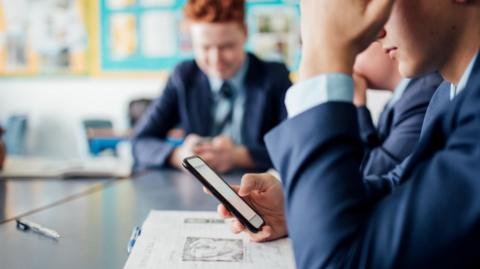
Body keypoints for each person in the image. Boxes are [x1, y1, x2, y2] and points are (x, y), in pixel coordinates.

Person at [215, 0, 480, 267]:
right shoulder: (446, 96)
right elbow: (399, 186)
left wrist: (325, 54)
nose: (376, 33)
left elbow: (339, 263)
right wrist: (298, 207)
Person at [132, 0, 291, 174]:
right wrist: (179, 156)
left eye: (227, 46)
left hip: (258, 191)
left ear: (244, 33)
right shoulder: (184, 76)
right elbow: (140, 142)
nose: (216, 59)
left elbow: (294, 147)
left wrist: (239, 156)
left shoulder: (275, 76)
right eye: (205, 47)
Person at [353, 42, 442, 177]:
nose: (349, 67)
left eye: (354, 51)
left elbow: (370, 174)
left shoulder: (425, 93)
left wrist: (357, 106)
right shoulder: (394, 104)